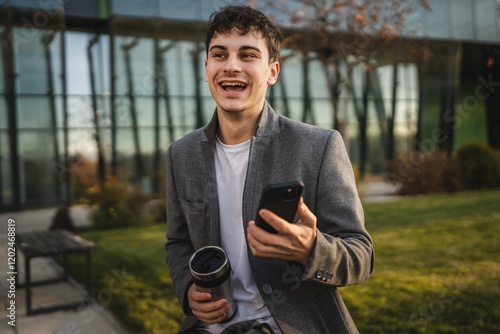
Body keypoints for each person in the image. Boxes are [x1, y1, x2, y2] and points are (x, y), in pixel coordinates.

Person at [165, 5, 374, 334]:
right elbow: (177, 243)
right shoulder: (181, 154)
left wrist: (310, 249)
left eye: (248, 55)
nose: (231, 66)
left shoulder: (319, 146)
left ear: (272, 72)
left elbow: (361, 257)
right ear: (207, 69)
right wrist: (187, 290)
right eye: (220, 55)